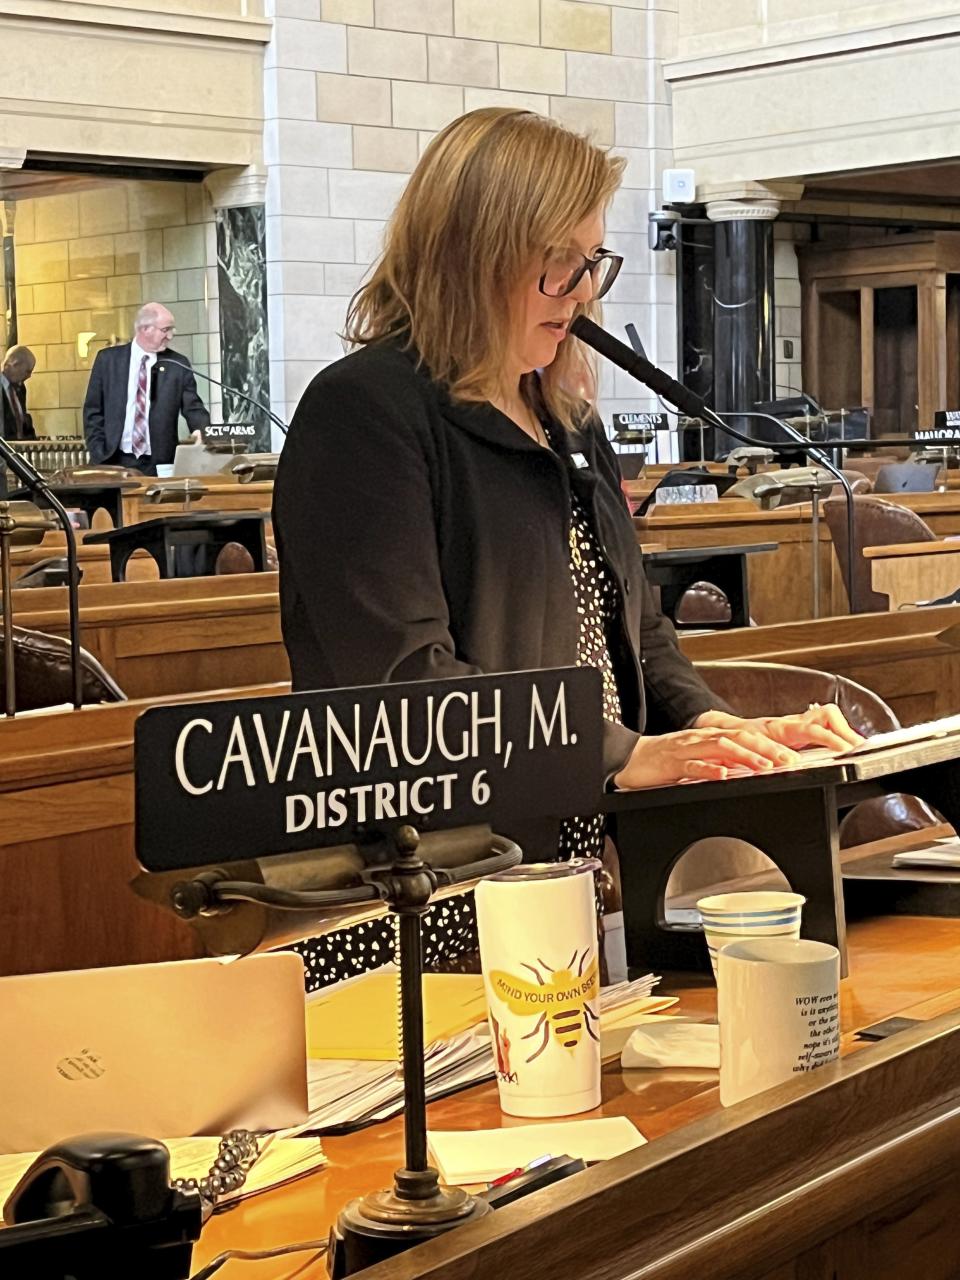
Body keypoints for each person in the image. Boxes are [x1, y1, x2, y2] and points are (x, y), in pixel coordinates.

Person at [273, 109, 861, 983]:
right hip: (429, 888)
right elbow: (402, 684)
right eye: (560, 265)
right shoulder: (365, 412)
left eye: (591, 265)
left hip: (568, 862)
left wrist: (714, 729)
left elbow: (635, 627)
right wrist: (622, 754)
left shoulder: (563, 417)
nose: (583, 293)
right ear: (477, 252)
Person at [81, 303, 209, 476]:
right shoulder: (108, 360)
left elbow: (193, 407)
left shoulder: (177, 364)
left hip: (159, 463)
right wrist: (98, 451)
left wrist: (201, 431)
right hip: (113, 460)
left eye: (172, 330)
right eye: (166, 330)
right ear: (145, 329)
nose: (170, 336)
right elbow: (93, 410)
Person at [0, 345, 37, 442]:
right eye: (28, 371)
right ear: (15, 365)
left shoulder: (21, 389)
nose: (29, 376)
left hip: (17, 453)